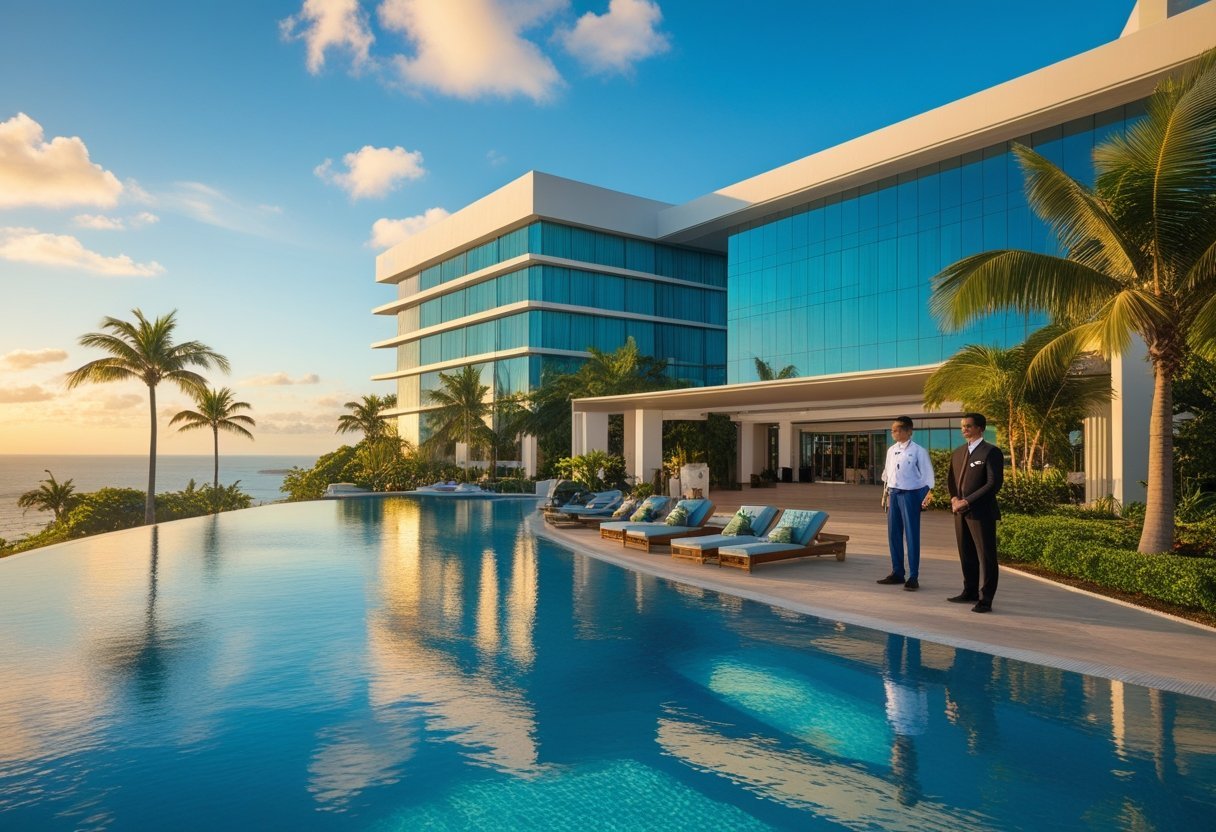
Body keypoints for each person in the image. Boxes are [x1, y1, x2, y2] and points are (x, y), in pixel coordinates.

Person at [947, 413, 1004, 613]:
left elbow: (993, 483)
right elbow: (952, 481)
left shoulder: (991, 452)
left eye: (968, 426)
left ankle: (986, 599)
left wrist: (967, 501)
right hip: (959, 512)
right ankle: (969, 591)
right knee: (966, 553)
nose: (964, 429)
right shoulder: (958, 452)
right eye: (962, 426)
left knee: (986, 556)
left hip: (981, 512)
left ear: (980, 428)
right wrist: (955, 499)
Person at [876, 416, 934, 590]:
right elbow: (886, 475)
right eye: (892, 429)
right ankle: (897, 573)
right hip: (893, 495)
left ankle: (913, 576)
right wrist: (886, 494)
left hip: (911, 496)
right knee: (893, 535)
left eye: (897, 429)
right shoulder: (891, 450)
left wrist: (925, 497)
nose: (894, 432)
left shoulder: (918, 451)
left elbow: (928, 477)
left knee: (911, 536)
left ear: (909, 431)